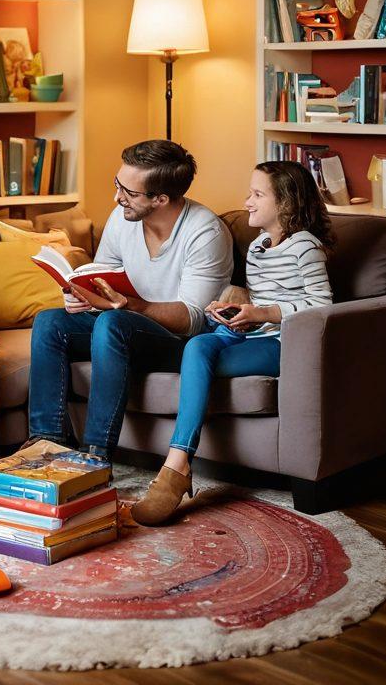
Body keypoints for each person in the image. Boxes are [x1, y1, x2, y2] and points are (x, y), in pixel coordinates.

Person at [131, 161, 334, 524]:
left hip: (281, 346)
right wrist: (234, 310)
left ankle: (175, 467)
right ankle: (179, 464)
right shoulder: (257, 248)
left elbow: (323, 305)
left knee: (198, 362)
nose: (247, 202)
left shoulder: (306, 247)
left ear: (286, 203)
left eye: (258, 194)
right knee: (197, 346)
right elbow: (257, 300)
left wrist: (263, 313)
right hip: (249, 335)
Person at [27, 140, 234, 461]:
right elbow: (100, 276)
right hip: (121, 329)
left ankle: (95, 453)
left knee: (113, 322)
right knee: (50, 321)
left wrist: (131, 305)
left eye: (129, 192)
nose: (116, 197)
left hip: (177, 344)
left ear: (161, 199)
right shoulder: (122, 218)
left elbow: (194, 320)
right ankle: (46, 442)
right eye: (117, 185)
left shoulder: (205, 232)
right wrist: (82, 297)